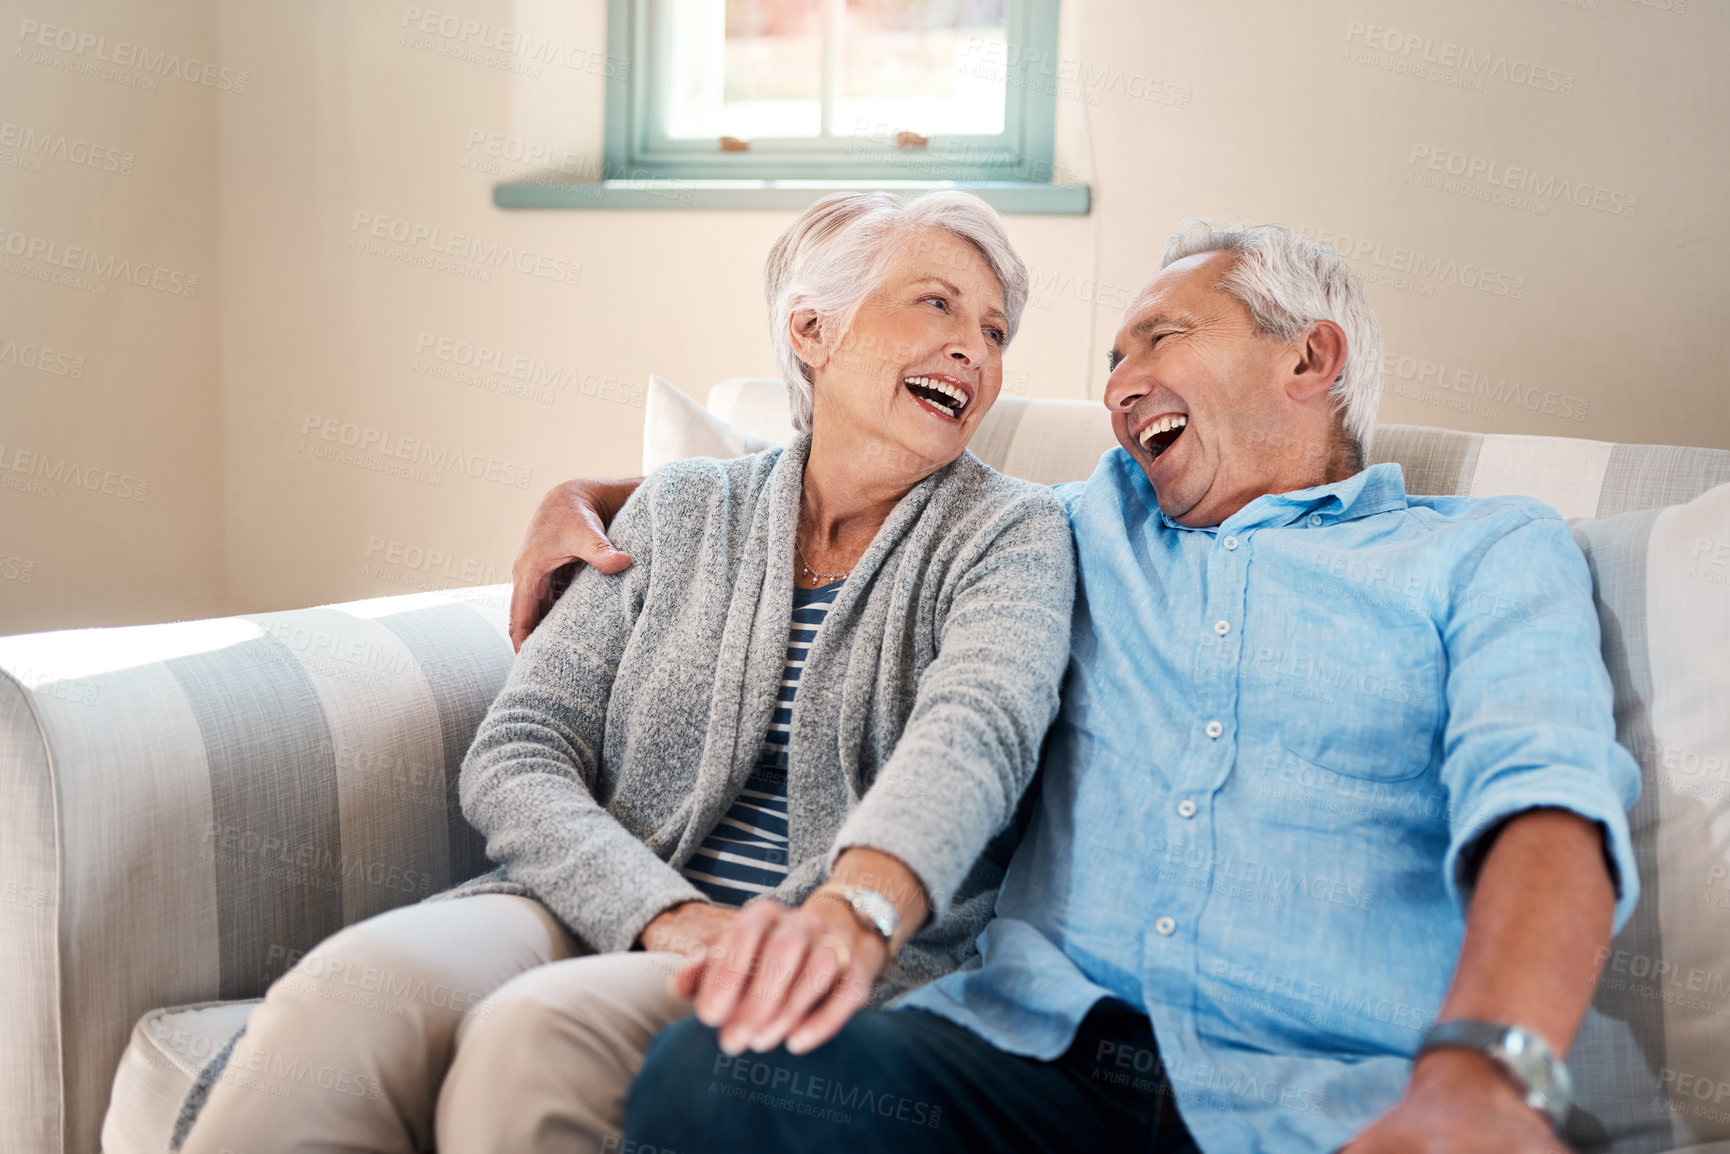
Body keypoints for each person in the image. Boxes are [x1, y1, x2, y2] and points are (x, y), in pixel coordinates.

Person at [527, 222, 1639, 1153]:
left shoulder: (1486, 552)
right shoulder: (1067, 527)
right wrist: (614, 498)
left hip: (1330, 1097)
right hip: (1024, 1055)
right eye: (1110, 358)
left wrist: (1487, 1068)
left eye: (1159, 336)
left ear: (1309, 360)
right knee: (718, 1072)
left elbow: (1542, 798)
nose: (1115, 386)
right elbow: (858, 487)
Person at [179, 190, 1077, 1154]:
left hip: (788, 950)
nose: (974, 352)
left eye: (994, 330)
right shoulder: (684, 507)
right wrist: (661, 911)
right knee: (348, 994)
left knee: (531, 1040)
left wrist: (840, 913)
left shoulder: (1010, 533)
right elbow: (517, 752)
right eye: (936, 305)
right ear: (813, 330)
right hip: (591, 895)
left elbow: (977, 732)